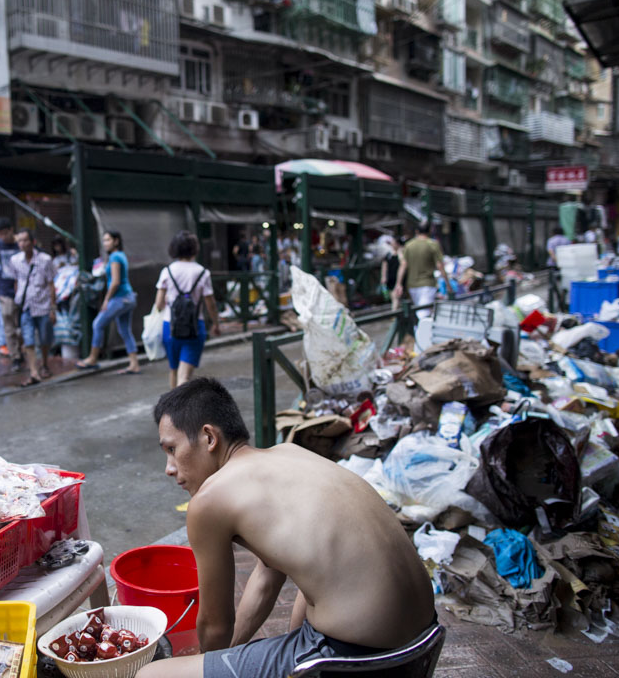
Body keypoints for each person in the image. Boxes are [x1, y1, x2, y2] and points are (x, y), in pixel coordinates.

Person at [138, 378, 435, 678]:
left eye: (172, 449)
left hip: (356, 658)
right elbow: (266, 581)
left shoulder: (209, 499)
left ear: (209, 438)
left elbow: (215, 626)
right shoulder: (290, 454)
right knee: (311, 591)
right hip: (422, 642)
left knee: (149, 675)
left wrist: (204, 666)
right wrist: (228, 657)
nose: (169, 467)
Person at [155, 230, 219, 388]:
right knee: (184, 376)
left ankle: (170, 410)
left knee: (174, 371)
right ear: (195, 249)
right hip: (194, 327)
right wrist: (216, 323)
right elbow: (210, 303)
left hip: (170, 326)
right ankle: (180, 411)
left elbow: (158, 304)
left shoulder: (167, 271)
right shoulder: (202, 272)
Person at [76, 230, 141, 375]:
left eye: (108, 240)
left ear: (116, 241)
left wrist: (106, 299)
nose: (105, 243)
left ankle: (93, 359)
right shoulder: (120, 256)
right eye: (104, 240)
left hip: (120, 298)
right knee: (125, 330)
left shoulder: (115, 257)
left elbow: (115, 282)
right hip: (129, 297)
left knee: (97, 324)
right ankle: (134, 363)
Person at [11, 229, 57, 386]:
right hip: (26, 306)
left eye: (25, 240)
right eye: (19, 241)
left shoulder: (45, 260)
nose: (22, 244)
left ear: (33, 242)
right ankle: (33, 371)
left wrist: (53, 308)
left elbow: (51, 284)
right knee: (28, 339)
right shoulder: (15, 260)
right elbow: (16, 281)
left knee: (44, 338)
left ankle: (44, 363)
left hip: (43, 305)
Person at [394, 222, 451, 319]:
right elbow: (440, 265)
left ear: (417, 231)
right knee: (423, 314)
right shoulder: (433, 244)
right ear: (429, 231)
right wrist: (448, 284)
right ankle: (420, 332)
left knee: (420, 311)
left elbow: (403, 265)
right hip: (427, 284)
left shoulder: (409, 245)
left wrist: (398, 284)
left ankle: (418, 331)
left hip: (412, 285)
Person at [0, 217, 23, 371]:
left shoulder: (21, 244)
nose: (2, 237)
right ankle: (15, 357)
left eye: (4, 233)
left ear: (11, 230)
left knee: (22, 326)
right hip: (5, 291)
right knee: (8, 325)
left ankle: (21, 351)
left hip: (23, 290)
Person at [379, 236, 402, 310]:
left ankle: (395, 313)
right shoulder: (388, 254)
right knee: (394, 297)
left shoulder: (401, 254)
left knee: (396, 298)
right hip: (391, 278)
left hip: (400, 279)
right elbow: (384, 266)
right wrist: (383, 276)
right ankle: (395, 314)